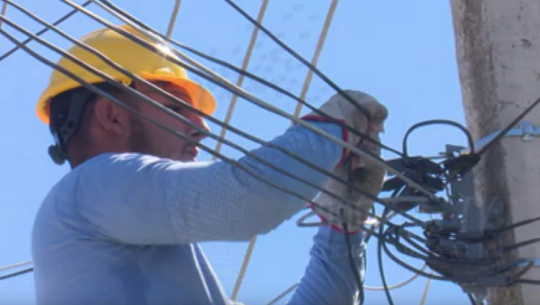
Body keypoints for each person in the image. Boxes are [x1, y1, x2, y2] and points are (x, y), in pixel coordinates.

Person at [31, 24, 389, 305]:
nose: (202, 129)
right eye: (175, 108)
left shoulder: (171, 270)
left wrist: (341, 226)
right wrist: (330, 130)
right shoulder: (89, 188)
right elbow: (244, 202)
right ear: (112, 116)